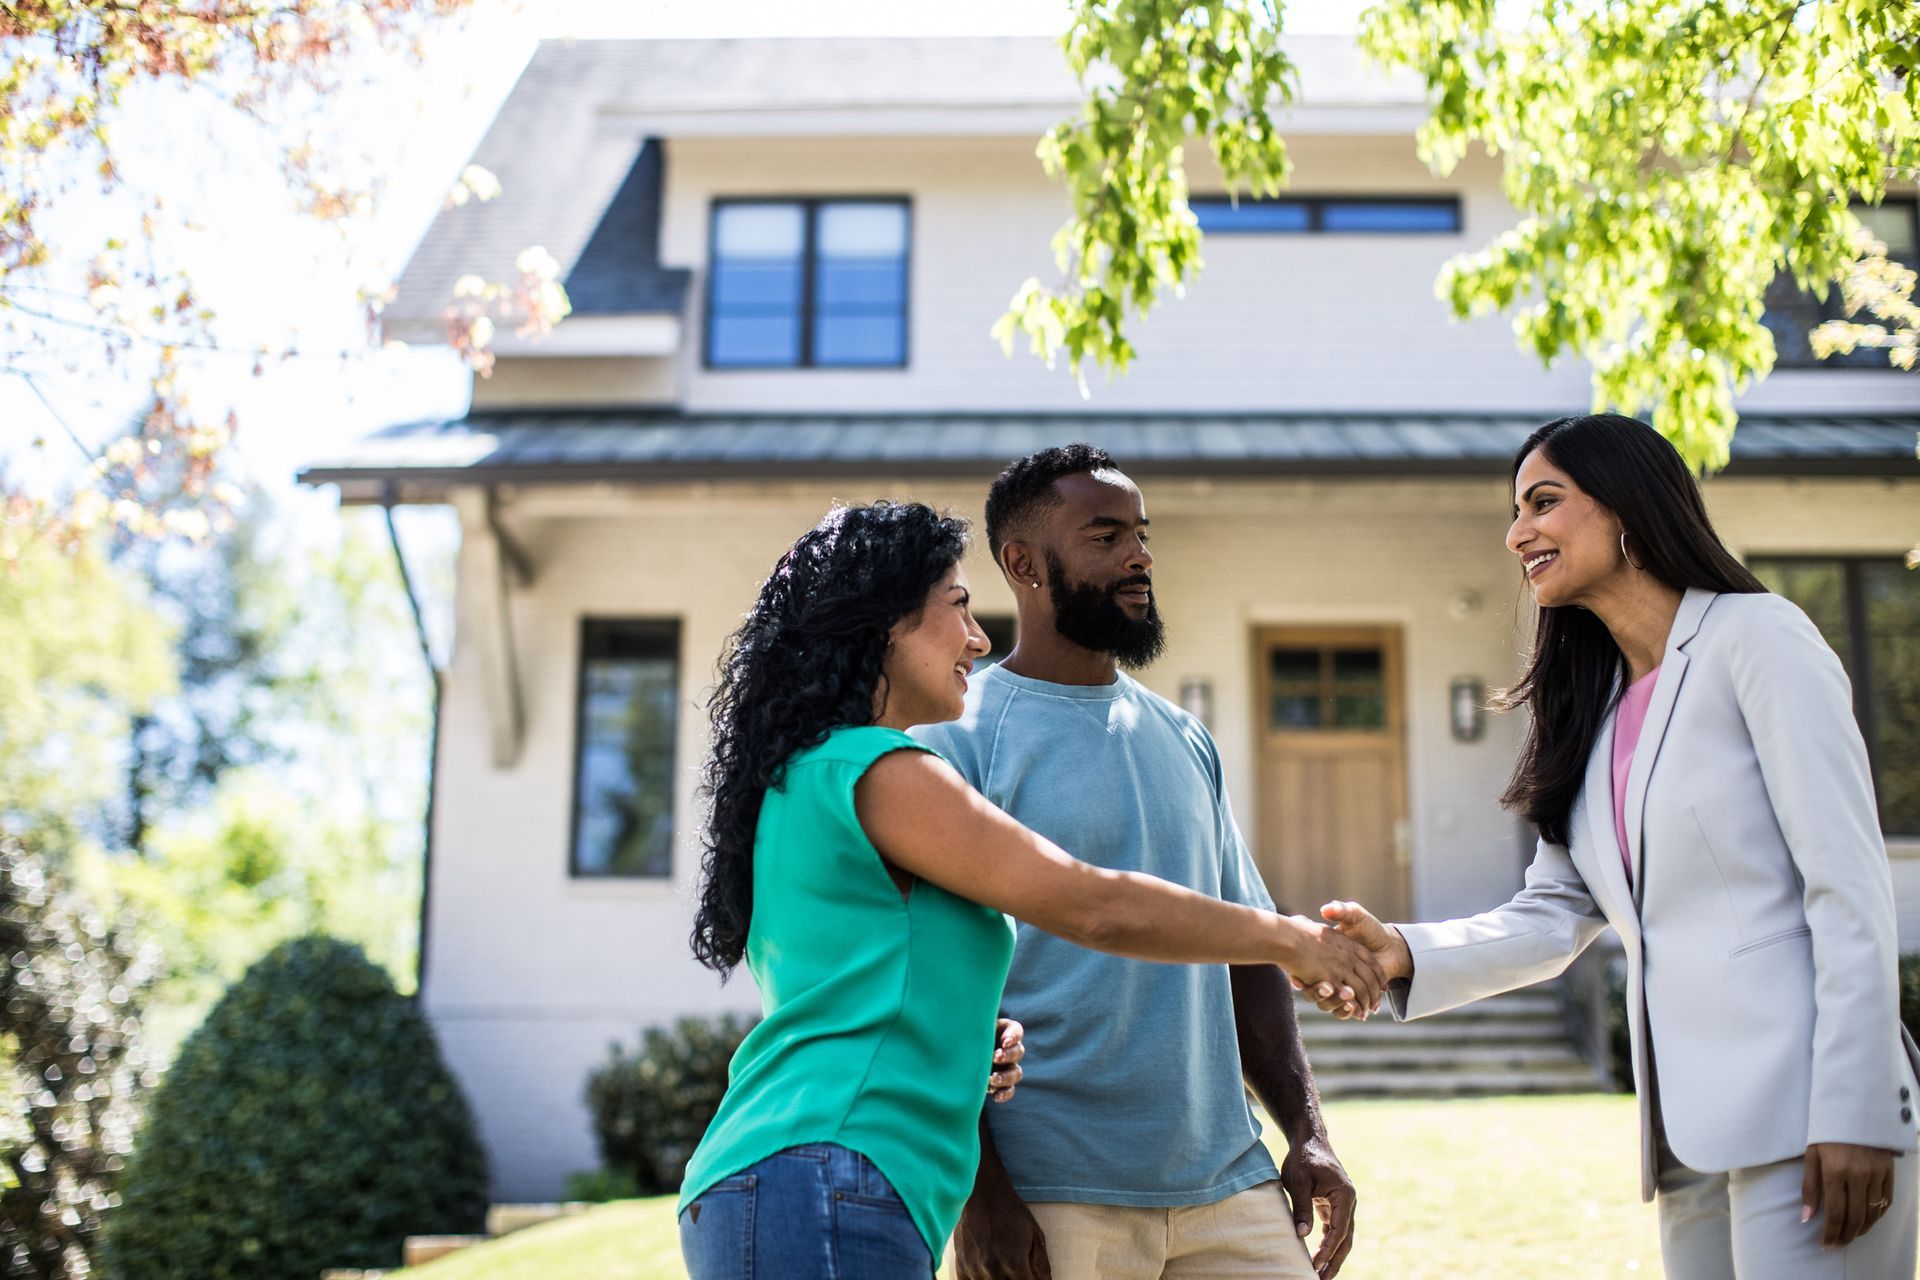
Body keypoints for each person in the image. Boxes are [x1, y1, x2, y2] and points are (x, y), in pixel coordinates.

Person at [676, 500, 1384, 1280]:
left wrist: (968, 1040)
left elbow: (859, 985)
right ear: (883, 624)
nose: (978, 639)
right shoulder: (883, 771)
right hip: (827, 1170)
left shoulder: (810, 776)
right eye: (958, 608)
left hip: (809, 1174)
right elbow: (1092, 905)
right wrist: (1291, 939)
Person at [1320, 412, 1920, 1279]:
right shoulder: (1593, 714)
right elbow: (1555, 913)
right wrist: (1405, 950)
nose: (1517, 531)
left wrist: (1858, 1106)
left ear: (1628, 506)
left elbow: (1846, 883)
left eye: (1544, 502)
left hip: (1812, 1112)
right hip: (1687, 1138)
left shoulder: (1761, 637)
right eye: (1515, 510)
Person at [916, 445, 1362, 1280]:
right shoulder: (958, 736)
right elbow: (936, 976)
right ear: (1023, 564)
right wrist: (982, 1193)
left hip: (1229, 1179)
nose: (1139, 556)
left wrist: (1306, 1130)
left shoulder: (1184, 736)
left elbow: (1248, 951)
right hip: (1054, 1192)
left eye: (1142, 534)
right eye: (1106, 535)